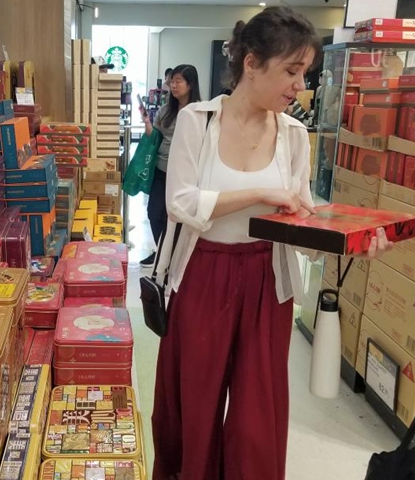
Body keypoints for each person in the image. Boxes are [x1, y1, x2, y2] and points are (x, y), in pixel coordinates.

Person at [151, 7, 391, 479]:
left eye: (304, 73)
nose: (299, 86)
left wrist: (349, 241)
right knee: (194, 403)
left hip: (268, 280)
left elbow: (297, 220)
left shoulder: (294, 136)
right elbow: (180, 202)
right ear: (251, 63)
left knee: (257, 411)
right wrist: (259, 193)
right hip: (202, 273)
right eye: (291, 71)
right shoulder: (199, 121)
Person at [139, 64, 202, 267]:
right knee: (154, 213)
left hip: (186, 176)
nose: (173, 86)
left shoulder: (200, 111)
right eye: (171, 81)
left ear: (190, 84)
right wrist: (147, 123)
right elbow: (155, 138)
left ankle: (173, 258)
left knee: (178, 218)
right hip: (162, 171)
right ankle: (164, 253)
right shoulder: (166, 110)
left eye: (178, 81)